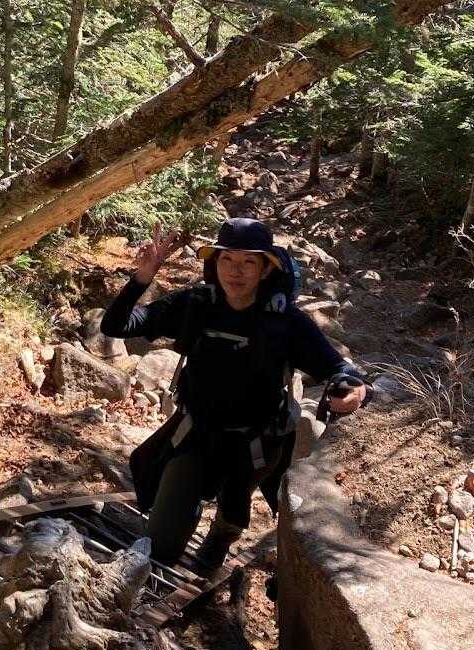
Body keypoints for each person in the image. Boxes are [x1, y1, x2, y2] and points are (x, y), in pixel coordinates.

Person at [100, 217, 371, 569]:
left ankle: (223, 533)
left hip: (256, 443)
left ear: (265, 268)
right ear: (215, 263)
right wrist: (142, 278)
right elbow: (115, 325)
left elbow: (337, 368)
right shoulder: (197, 305)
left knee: (230, 513)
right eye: (227, 259)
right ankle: (186, 512)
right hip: (198, 435)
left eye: (248, 262)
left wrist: (355, 389)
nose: (235, 270)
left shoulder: (285, 322)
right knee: (161, 548)